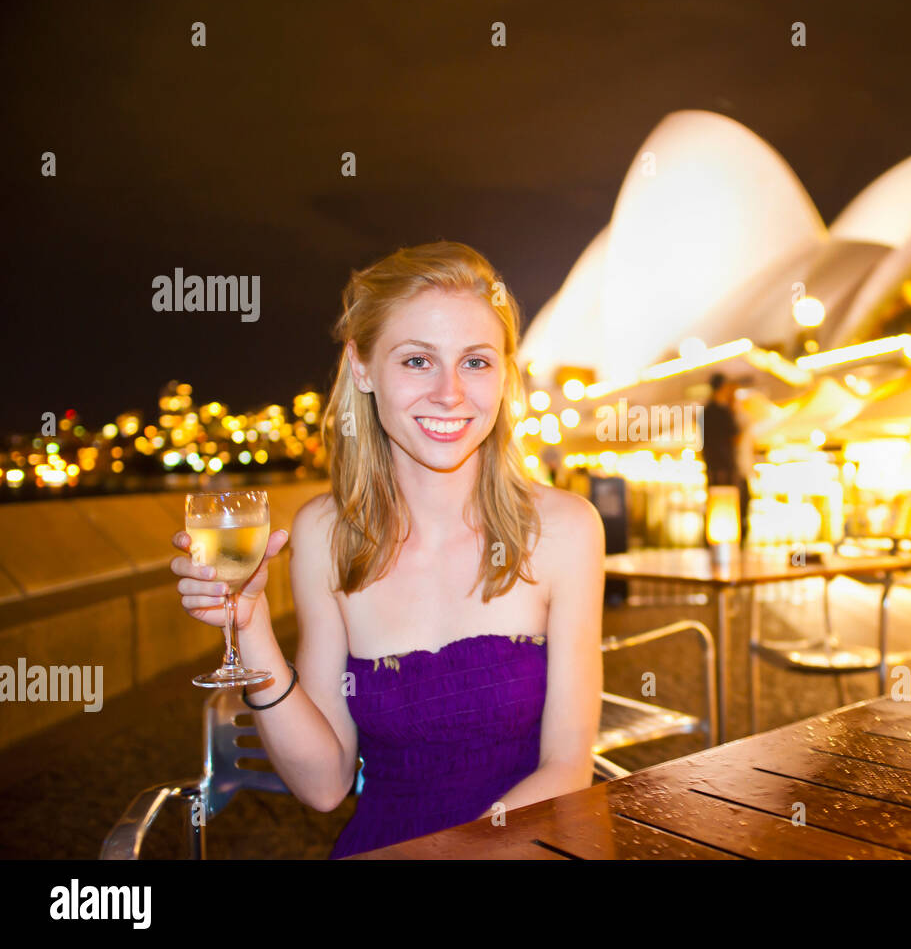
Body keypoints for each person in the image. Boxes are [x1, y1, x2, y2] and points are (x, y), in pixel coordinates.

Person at [170, 242, 605, 858]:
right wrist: (253, 628)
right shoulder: (325, 533)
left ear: (505, 373)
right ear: (363, 366)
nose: (451, 393)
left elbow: (567, 769)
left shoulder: (565, 529)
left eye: (476, 362)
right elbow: (323, 785)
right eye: (418, 361)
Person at [700, 373, 750, 544]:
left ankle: (715, 546)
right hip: (724, 471)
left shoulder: (708, 411)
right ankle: (728, 548)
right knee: (729, 509)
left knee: (717, 509)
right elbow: (735, 435)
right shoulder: (719, 412)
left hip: (716, 470)